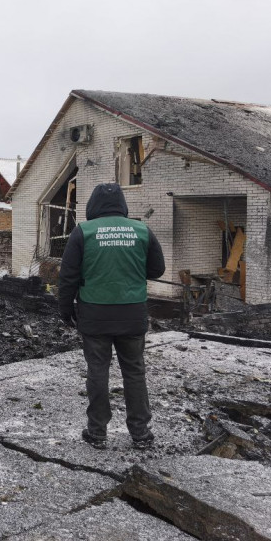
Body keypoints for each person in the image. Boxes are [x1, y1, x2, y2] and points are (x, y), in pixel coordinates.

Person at [58, 183, 165, 450]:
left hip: (95, 315)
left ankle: (97, 432)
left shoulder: (83, 232)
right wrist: (130, 271)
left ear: (93, 205)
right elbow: (157, 270)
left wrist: (65, 309)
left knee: (97, 371)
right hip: (132, 314)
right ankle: (140, 433)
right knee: (135, 372)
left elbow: (68, 276)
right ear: (122, 204)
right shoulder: (142, 230)